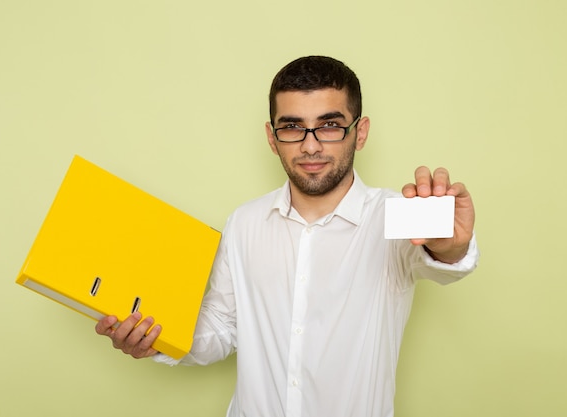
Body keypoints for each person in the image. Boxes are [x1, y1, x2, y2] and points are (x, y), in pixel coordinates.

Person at [95, 55, 479, 417]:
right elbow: (221, 327)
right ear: (272, 136)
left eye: (330, 125)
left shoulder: (394, 218)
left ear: (359, 133)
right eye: (292, 126)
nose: (310, 145)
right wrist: (159, 337)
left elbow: (445, 260)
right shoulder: (244, 222)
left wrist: (452, 246)